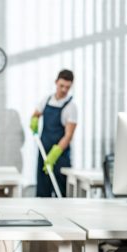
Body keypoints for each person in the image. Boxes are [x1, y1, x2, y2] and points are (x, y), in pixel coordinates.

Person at [30, 69, 77, 197]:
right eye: (61, 86)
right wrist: (34, 120)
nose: (64, 89)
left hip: (59, 156)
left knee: (61, 190)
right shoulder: (46, 100)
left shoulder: (70, 107)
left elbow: (68, 136)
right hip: (44, 151)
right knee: (42, 190)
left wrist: (54, 154)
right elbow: (36, 113)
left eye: (67, 87)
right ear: (56, 82)